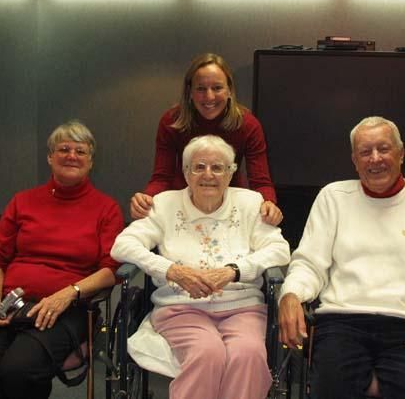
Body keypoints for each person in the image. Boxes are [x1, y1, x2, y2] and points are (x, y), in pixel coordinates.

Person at [278, 116, 405, 399]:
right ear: (354, 161)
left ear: (401, 153)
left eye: (383, 149)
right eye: (365, 152)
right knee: (332, 387)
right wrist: (291, 294)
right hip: (341, 321)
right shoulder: (333, 197)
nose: (375, 159)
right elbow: (309, 264)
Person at [0, 120, 125, 399]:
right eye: (64, 149)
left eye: (80, 151)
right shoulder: (22, 201)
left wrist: (67, 294)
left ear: (91, 161)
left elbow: (110, 270)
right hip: (10, 301)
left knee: (20, 370)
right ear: (50, 157)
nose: (71, 155)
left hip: (66, 308)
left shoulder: (106, 209)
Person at [112, 135, 290, 399]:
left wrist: (234, 271)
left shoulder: (250, 203)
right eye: (199, 167)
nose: (208, 175)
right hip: (181, 308)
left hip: (242, 307)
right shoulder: (165, 204)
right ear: (186, 173)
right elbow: (123, 245)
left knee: (248, 354)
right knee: (207, 352)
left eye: (218, 167)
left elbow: (279, 249)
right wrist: (173, 271)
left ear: (230, 173)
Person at [130, 52, 283, 225]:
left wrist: (269, 204)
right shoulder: (172, 122)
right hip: (182, 206)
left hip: (228, 205)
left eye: (217, 88)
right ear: (190, 92)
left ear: (229, 91)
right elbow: (161, 177)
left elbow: (260, 181)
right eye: (201, 89)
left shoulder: (248, 125)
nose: (209, 96)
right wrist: (146, 199)